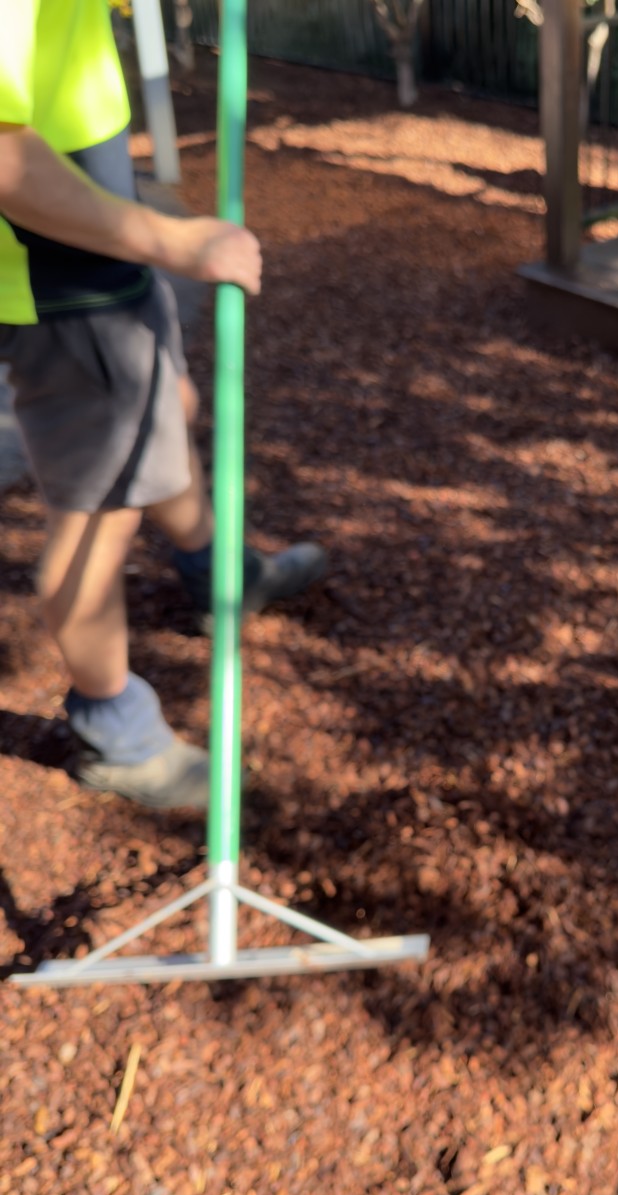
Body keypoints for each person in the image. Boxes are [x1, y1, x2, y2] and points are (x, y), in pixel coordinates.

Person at [0, 1, 326, 810]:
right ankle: (120, 735)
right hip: (66, 290)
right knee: (95, 526)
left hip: (98, 262)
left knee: (167, 408)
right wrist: (175, 241)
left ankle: (224, 574)